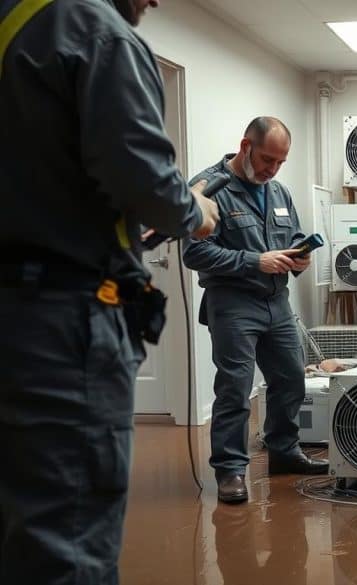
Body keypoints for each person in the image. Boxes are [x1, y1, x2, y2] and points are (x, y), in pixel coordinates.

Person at [0, 0, 220, 582]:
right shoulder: (98, 32)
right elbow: (145, 180)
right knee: (65, 535)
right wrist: (194, 209)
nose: (154, 2)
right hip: (59, 321)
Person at [183, 117, 327, 504]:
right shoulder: (208, 188)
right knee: (235, 387)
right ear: (245, 146)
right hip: (233, 303)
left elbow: (293, 235)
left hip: (277, 302)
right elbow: (194, 252)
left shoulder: (278, 191)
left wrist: (300, 255)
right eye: (267, 159)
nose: (273, 169)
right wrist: (254, 261)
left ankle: (283, 451)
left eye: (280, 162)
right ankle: (230, 470)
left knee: (291, 379)